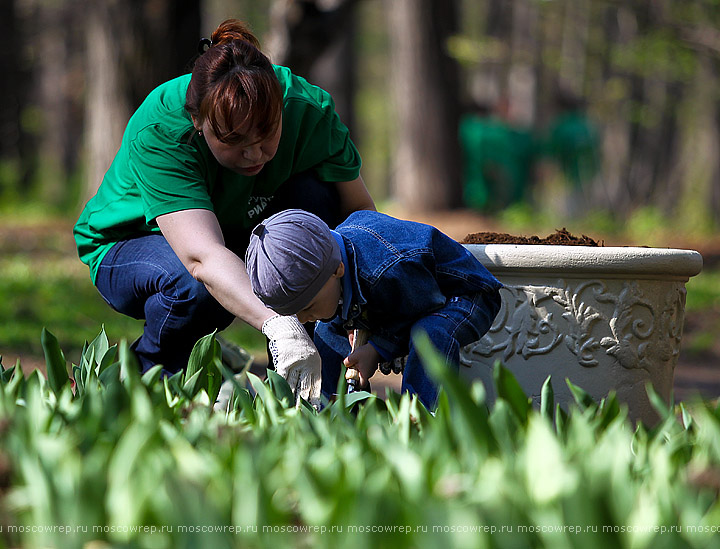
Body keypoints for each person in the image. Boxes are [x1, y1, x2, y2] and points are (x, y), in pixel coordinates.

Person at [73, 19, 375, 404]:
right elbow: (202, 257)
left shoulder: (308, 109)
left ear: (281, 107)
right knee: (196, 289)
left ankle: (316, 394)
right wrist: (279, 324)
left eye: (266, 135)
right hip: (133, 242)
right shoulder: (165, 128)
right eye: (233, 140)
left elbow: (359, 217)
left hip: (238, 229)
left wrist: (361, 302)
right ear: (198, 122)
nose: (253, 154)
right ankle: (146, 375)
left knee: (321, 212)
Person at [245, 209, 503, 409]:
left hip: (460, 296)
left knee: (429, 333)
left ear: (337, 270)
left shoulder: (389, 269)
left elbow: (423, 307)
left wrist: (378, 349)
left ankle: (423, 419)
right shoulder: (332, 261)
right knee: (325, 331)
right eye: (294, 313)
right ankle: (328, 408)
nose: (302, 319)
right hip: (405, 296)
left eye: (307, 307)